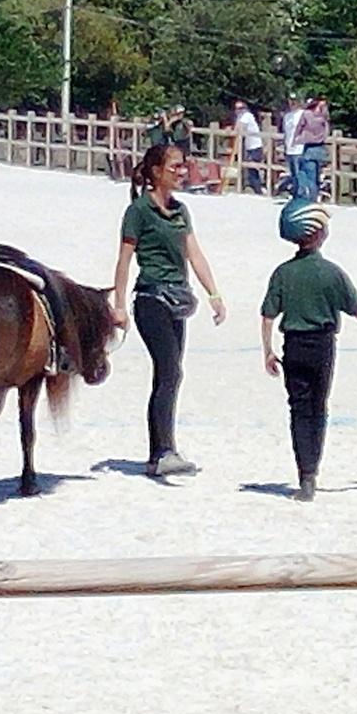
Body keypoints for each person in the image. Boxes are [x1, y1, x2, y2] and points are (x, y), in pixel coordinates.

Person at [260, 199, 357, 502]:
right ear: (317, 233)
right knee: (319, 408)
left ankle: (302, 471)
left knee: (298, 409)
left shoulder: (283, 273)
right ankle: (312, 474)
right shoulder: (331, 272)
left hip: (292, 345)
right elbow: (356, 309)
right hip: (322, 346)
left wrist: (267, 351)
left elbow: (268, 315)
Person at [111, 142, 227, 477]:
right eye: (174, 166)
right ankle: (162, 452)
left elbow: (195, 253)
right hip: (150, 299)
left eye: (182, 166)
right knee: (169, 369)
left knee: (171, 373)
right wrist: (119, 306)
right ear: (156, 171)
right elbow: (124, 261)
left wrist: (214, 294)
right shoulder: (139, 211)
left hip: (178, 298)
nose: (181, 171)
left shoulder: (181, 211)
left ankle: (162, 452)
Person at [295, 97, 331, 202]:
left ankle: (310, 198)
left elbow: (299, 127)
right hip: (320, 147)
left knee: (308, 174)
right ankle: (314, 196)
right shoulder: (324, 117)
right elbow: (327, 132)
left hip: (309, 147)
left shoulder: (307, 114)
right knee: (316, 175)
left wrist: (296, 139)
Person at [231, 100, 265, 195]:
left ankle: (258, 190)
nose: (238, 110)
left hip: (255, 146)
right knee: (250, 169)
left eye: (241, 108)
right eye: (237, 108)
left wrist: (232, 131)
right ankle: (255, 189)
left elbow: (239, 128)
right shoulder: (240, 117)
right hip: (249, 147)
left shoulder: (247, 116)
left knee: (252, 169)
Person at [280, 93, 306, 196]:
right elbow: (285, 133)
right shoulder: (287, 116)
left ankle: (302, 194)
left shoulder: (303, 114)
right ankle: (296, 194)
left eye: (295, 101)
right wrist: (285, 148)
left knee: (300, 173)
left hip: (300, 148)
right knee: (293, 174)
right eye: (291, 101)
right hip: (289, 148)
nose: (292, 103)